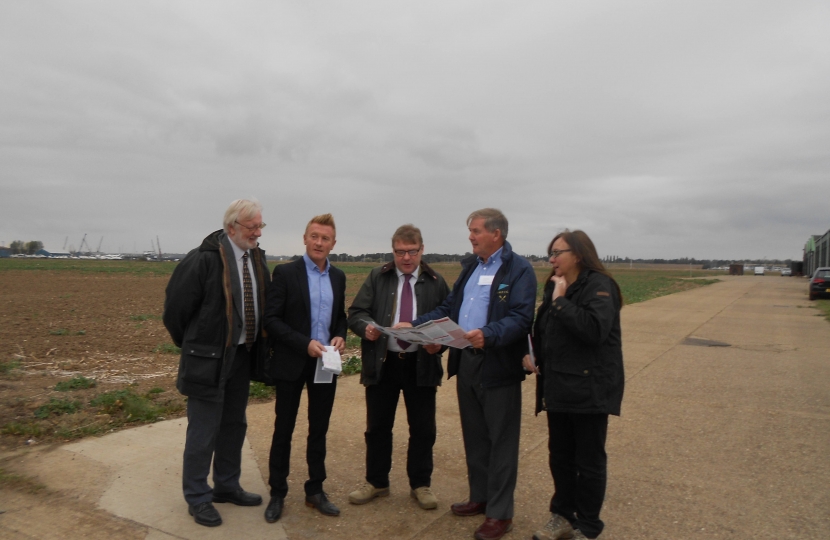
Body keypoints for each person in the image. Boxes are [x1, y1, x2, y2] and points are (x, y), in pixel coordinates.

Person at [398, 208, 537, 540]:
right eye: (470, 231)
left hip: (498, 364)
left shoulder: (520, 270)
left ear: (496, 234)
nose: (471, 237)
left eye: (475, 231)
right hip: (467, 362)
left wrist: (489, 333)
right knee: (474, 435)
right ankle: (480, 496)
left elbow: (521, 317)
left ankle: (500, 514)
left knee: (501, 441)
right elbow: (450, 308)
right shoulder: (471, 267)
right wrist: (416, 327)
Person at [163, 199, 269, 527]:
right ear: (231, 228)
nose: (257, 233)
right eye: (252, 227)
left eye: (260, 227)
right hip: (208, 360)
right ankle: (197, 497)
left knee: (234, 424)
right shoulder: (203, 260)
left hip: (241, 357)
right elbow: (175, 311)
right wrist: (196, 346)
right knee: (204, 429)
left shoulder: (256, 258)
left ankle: (227, 485)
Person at [525, 230, 624, 540]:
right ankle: (563, 515)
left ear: (578, 254)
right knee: (561, 456)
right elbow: (548, 329)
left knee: (589, 461)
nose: (552, 259)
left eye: (558, 252)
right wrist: (533, 355)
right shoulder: (556, 285)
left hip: (590, 388)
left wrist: (560, 302)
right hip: (559, 386)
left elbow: (594, 330)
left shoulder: (598, 285)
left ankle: (589, 526)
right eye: (550, 253)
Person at [346, 224, 451, 510]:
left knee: (423, 428)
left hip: (421, 364)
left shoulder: (436, 281)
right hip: (384, 363)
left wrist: (439, 344)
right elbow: (356, 313)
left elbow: (450, 321)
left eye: (411, 251)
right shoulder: (377, 277)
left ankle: (421, 485)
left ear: (421, 250)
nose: (405, 258)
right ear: (392, 251)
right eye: (400, 252)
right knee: (378, 426)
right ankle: (377, 482)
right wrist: (366, 328)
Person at [262, 213, 347, 523]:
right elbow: (271, 320)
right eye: (314, 236)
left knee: (318, 430)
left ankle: (315, 489)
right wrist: (304, 343)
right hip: (291, 362)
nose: (319, 242)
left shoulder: (338, 276)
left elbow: (340, 316)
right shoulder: (285, 273)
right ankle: (277, 492)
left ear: (333, 244)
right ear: (305, 238)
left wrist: (339, 335)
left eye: (325, 238)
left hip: (325, 364)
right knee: (283, 429)